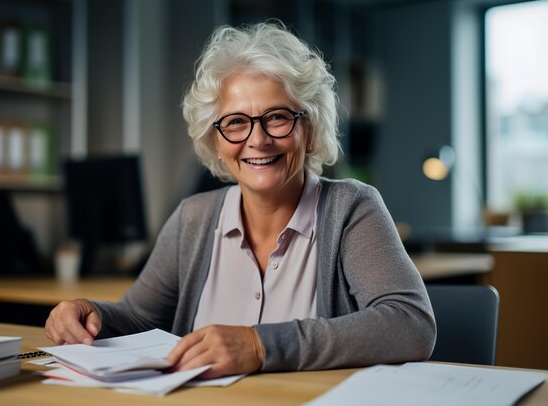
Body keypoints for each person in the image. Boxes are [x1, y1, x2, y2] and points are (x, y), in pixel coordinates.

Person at [45, 21, 436, 379]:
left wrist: (260, 344)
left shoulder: (351, 208)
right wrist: (90, 313)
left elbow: (411, 324)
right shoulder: (193, 219)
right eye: (235, 122)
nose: (258, 139)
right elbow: (138, 316)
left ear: (311, 128)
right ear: (215, 141)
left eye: (278, 117)